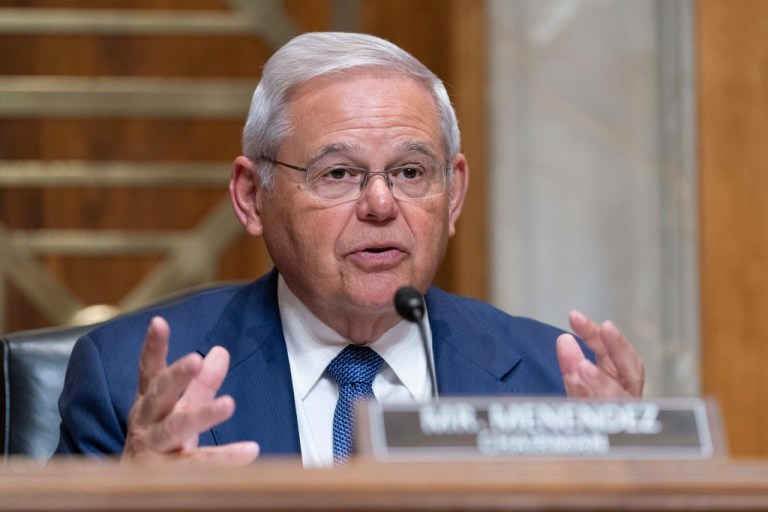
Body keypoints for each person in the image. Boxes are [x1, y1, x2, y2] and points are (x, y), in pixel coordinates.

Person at [55, 32, 644, 467]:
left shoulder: (554, 385)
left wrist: (630, 481)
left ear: (454, 192)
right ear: (251, 197)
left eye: (411, 171)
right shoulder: (123, 382)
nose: (382, 205)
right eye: (338, 173)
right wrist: (129, 499)